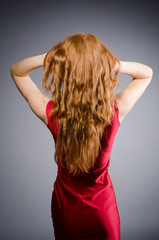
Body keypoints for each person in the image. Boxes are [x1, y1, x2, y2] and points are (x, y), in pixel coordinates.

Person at [10, 32, 153, 240]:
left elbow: (17, 71)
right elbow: (146, 73)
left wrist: (55, 57)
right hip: (102, 208)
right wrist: (107, 63)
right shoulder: (115, 110)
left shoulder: (50, 112)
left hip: (65, 207)